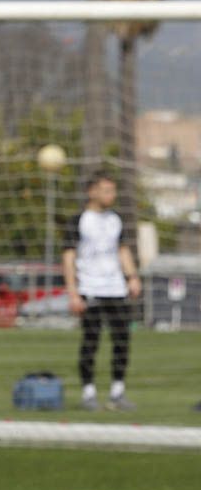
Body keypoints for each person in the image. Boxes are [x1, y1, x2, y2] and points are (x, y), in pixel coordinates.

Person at [63, 172, 142, 411]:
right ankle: (89, 393)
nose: (112, 195)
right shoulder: (79, 220)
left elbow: (123, 250)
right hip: (90, 288)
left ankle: (118, 392)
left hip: (116, 288)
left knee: (122, 341)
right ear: (92, 191)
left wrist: (132, 277)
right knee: (91, 342)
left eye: (113, 190)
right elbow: (68, 258)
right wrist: (73, 293)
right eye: (106, 190)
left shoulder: (115, 219)